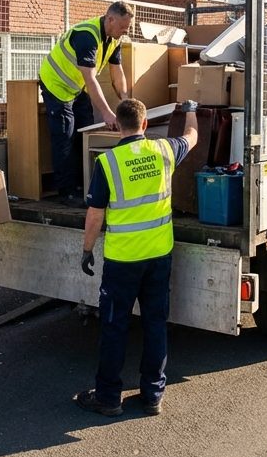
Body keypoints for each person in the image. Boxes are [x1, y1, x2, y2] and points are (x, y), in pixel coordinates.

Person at [74, 98, 198, 417]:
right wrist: (191, 109)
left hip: (122, 261)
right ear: (145, 125)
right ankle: (153, 395)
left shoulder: (108, 162)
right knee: (155, 324)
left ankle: (109, 397)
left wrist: (87, 250)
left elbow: (94, 215)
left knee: (115, 327)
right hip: (158, 256)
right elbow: (193, 136)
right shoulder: (165, 151)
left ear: (117, 126)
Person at [37, 1, 135, 207]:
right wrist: (108, 113)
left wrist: (126, 103)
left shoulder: (114, 38)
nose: (124, 32)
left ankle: (86, 184)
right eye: (123, 28)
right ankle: (67, 192)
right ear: (110, 19)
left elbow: (117, 72)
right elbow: (91, 79)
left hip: (77, 86)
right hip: (56, 85)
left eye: (127, 28)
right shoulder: (86, 36)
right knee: (65, 135)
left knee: (86, 130)